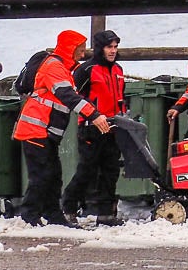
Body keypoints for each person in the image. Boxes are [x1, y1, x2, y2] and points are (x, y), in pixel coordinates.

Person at [12, 31, 111, 227]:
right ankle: (30, 215)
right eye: (80, 50)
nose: (82, 55)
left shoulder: (62, 69)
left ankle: (52, 215)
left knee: (53, 175)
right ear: (70, 49)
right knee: (42, 175)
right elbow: (68, 96)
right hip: (35, 130)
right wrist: (94, 115)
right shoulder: (54, 67)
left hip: (44, 132)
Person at [61, 30, 126, 226]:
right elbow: (75, 97)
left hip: (113, 128)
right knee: (86, 171)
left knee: (110, 171)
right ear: (100, 48)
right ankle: (68, 207)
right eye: (109, 47)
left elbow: (121, 97)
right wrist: (91, 116)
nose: (113, 51)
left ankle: (106, 214)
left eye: (115, 47)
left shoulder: (118, 70)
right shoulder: (86, 70)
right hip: (91, 127)